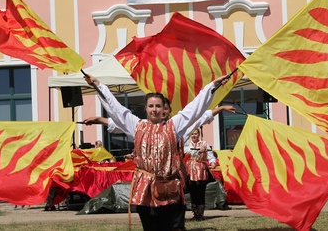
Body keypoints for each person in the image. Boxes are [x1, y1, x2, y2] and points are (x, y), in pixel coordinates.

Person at [84, 74, 227, 231]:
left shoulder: (174, 126)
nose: (155, 110)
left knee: (169, 226)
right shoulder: (137, 126)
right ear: (145, 108)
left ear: (163, 108)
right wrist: (98, 85)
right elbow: (116, 110)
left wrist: (212, 86)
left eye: (158, 106)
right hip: (144, 188)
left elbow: (194, 109)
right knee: (150, 227)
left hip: (167, 188)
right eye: (151, 106)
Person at [183, 127, 217, 221]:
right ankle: (196, 214)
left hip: (201, 170)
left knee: (201, 192)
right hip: (189, 170)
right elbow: (185, 151)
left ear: (199, 134)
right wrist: (198, 151)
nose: (194, 135)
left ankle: (201, 214)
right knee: (192, 192)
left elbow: (211, 157)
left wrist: (213, 163)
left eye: (195, 133)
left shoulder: (204, 144)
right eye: (192, 134)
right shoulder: (187, 144)